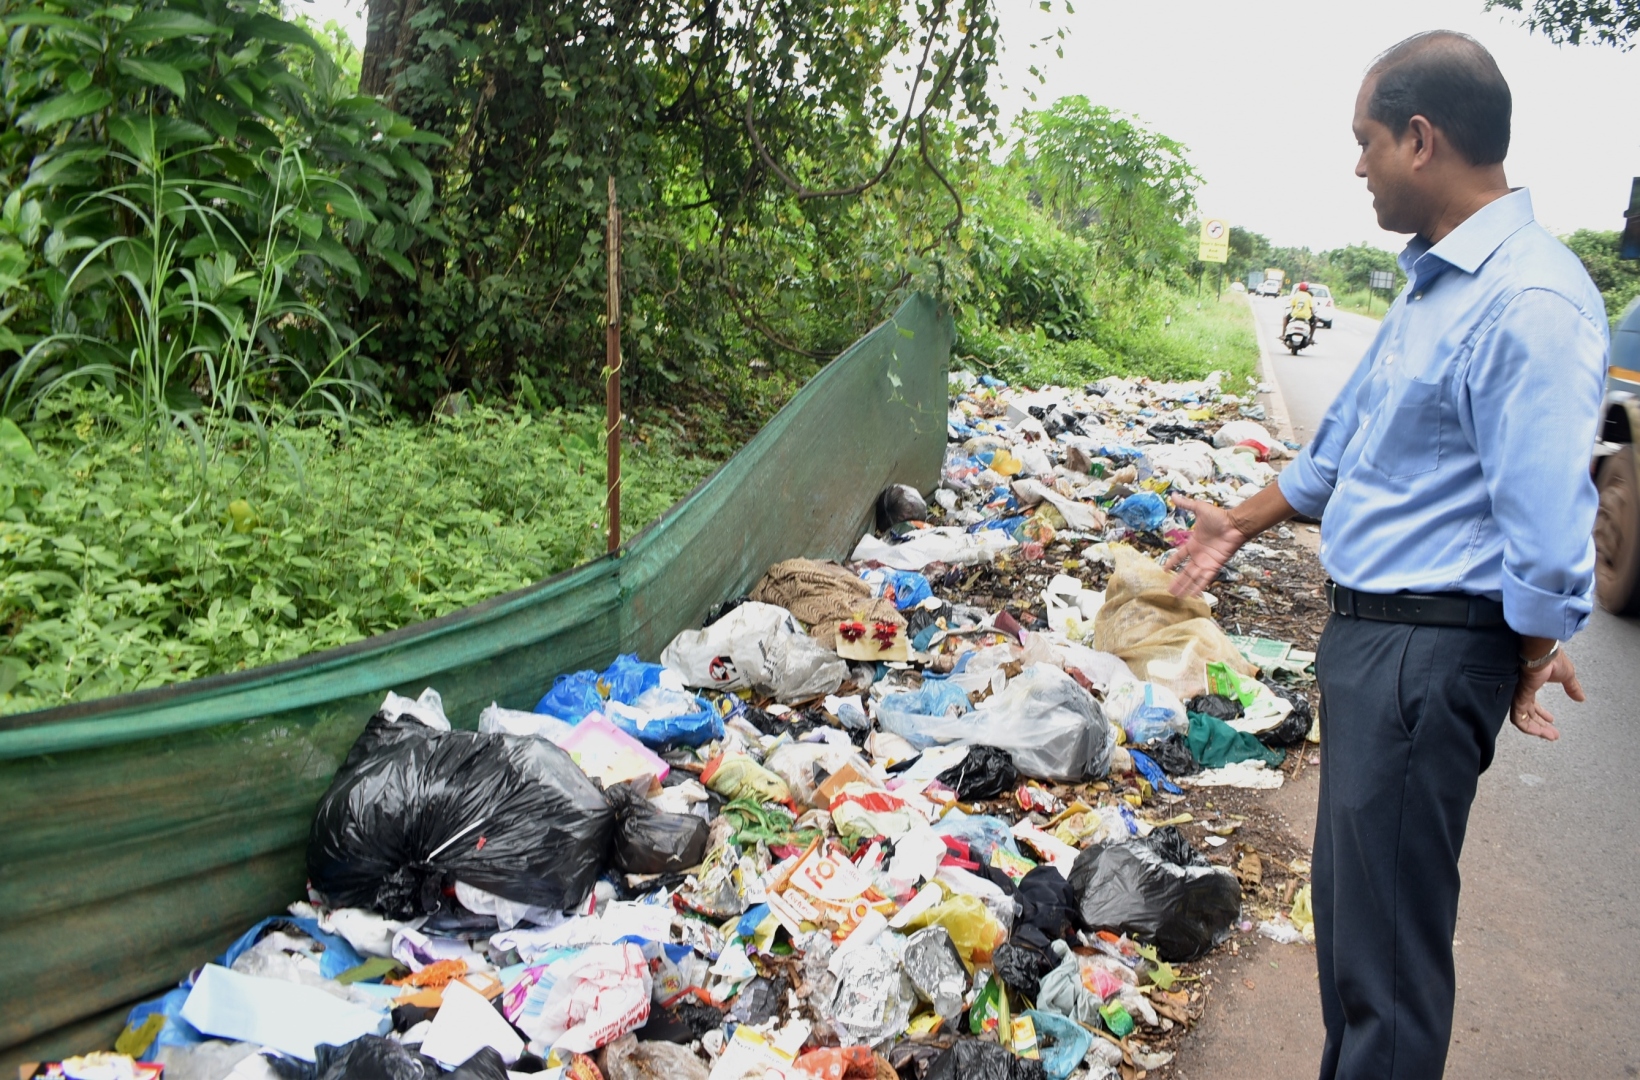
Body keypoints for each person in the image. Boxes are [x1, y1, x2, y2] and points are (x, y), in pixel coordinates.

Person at [1164, 30, 1605, 1080]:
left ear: (1418, 138)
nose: (1354, 165)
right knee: (1358, 948)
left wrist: (1531, 646)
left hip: (1425, 651)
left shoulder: (1528, 299)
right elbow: (1341, 453)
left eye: (1362, 141)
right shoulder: (1437, 286)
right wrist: (1237, 520)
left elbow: (1547, 526)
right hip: (1377, 644)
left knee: (1388, 972)